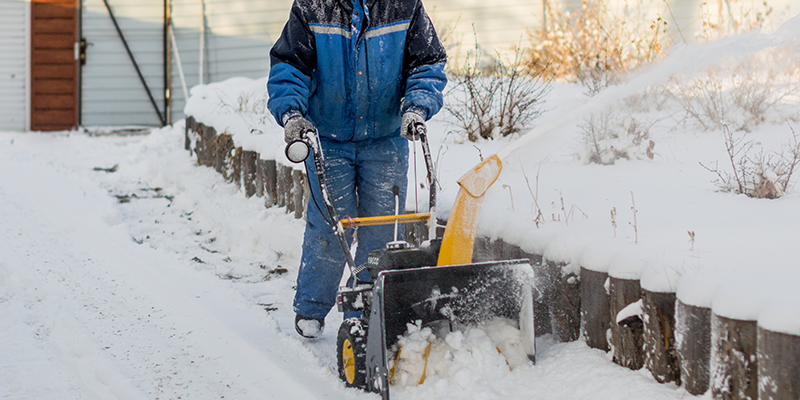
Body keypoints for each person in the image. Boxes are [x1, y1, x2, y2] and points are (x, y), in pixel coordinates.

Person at [267, 0, 447, 338]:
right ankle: (311, 307)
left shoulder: (403, 6)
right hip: (327, 138)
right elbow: (290, 66)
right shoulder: (313, 7)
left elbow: (428, 62)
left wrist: (418, 105)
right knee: (331, 226)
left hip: (386, 139)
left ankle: (366, 307)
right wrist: (292, 113)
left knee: (383, 230)